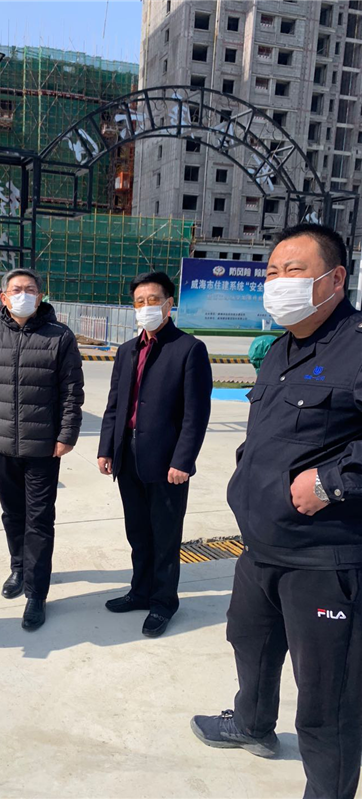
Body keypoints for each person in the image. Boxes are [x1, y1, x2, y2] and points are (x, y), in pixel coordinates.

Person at [191, 224, 362, 799]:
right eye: (271, 272)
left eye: (293, 270)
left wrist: (332, 482)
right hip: (261, 546)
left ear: (334, 280)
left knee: (326, 702)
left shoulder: (358, 346)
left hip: (324, 560)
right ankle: (251, 724)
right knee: (250, 644)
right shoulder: (281, 349)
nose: (277, 282)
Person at [0, 268, 84, 631]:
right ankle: (18, 567)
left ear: (40, 296)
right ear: (3, 297)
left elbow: (71, 391)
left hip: (43, 447)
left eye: (30, 289)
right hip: (2, 443)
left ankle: (36, 592)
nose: (23, 295)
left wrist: (67, 434)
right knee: (12, 514)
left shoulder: (59, 336)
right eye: (15, 289)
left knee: (39, 520)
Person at [97, 271, 212, 637]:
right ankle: (140, 591)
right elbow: (115, 405)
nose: (145, 307)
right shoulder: (127, 350)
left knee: (165, 536)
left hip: (166, 462)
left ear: (168, 304)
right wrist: (106, 448)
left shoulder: (189, 349)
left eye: (152, 300)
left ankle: (163, 602)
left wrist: (183, 461)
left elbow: (196, 414)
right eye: (139, 302)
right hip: (127, 455)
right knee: (138, 531)